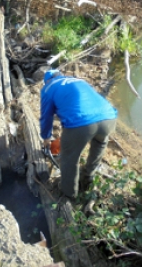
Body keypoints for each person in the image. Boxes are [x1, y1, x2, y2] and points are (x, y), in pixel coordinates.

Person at [40, 70, 118, 198]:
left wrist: (46, 137)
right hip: (109, 117)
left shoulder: (48, 87)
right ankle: (88, 176)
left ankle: (69, 193)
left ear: (47, 80)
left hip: (82, 123)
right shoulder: (78, 80)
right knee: (99, 143)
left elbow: (46, 116)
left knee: (70, 158)